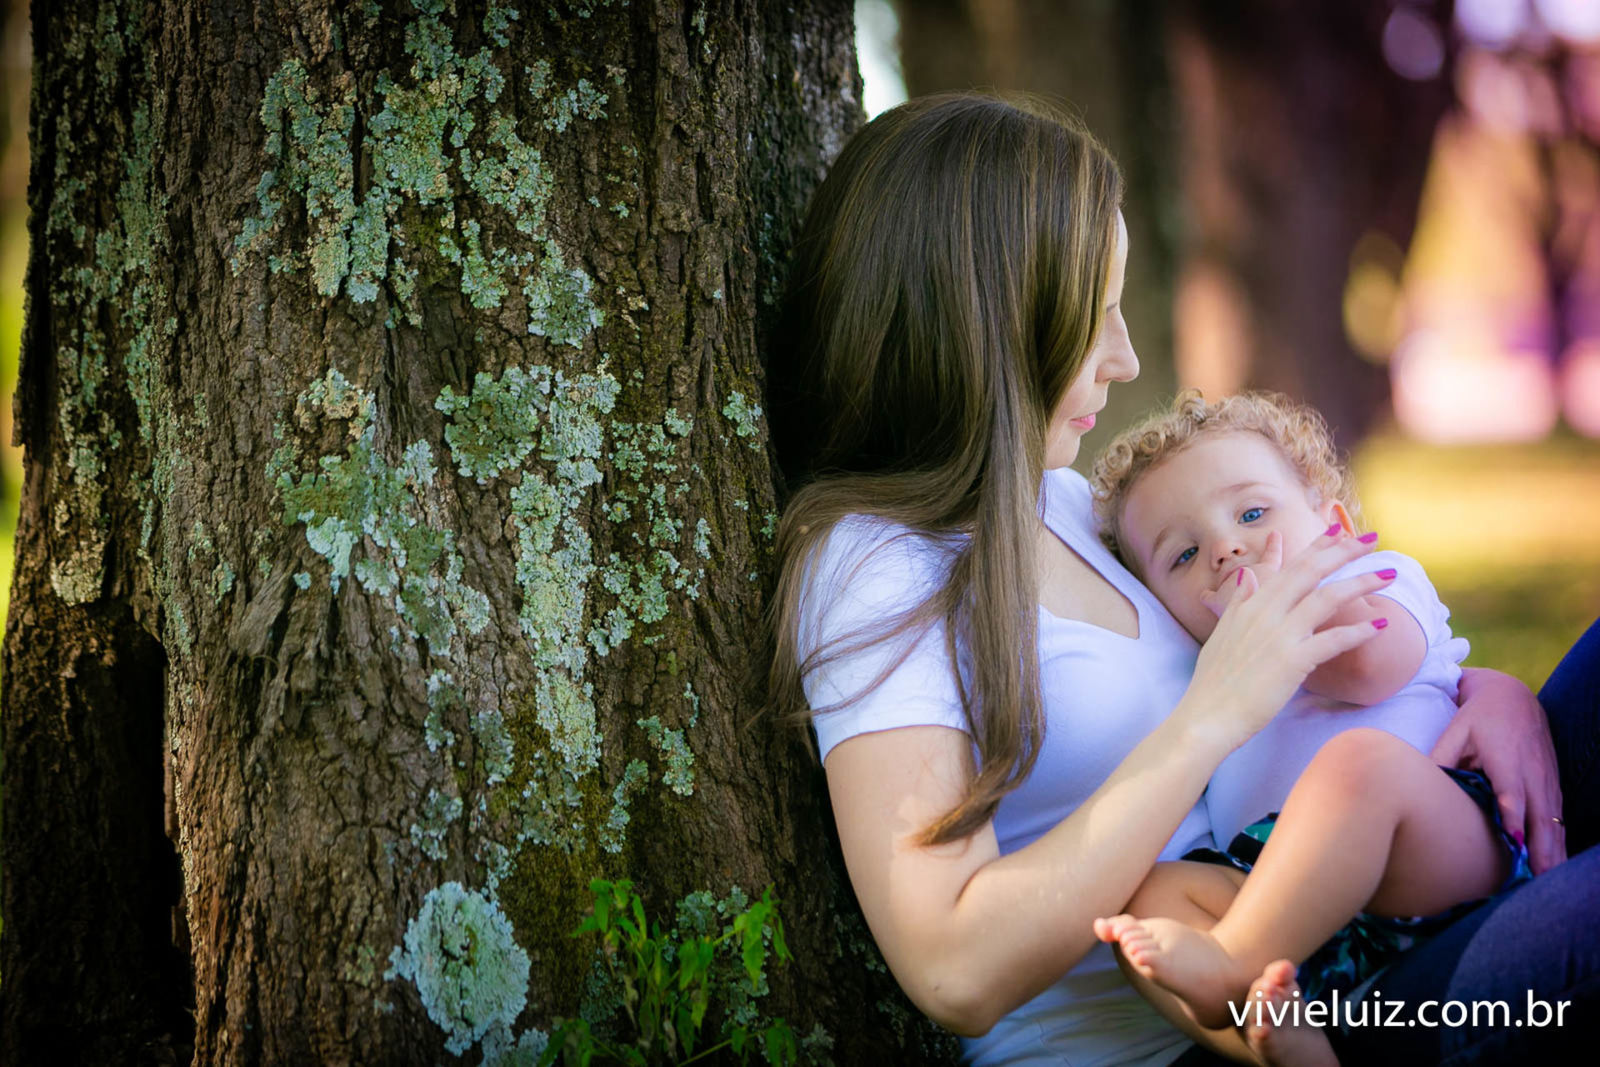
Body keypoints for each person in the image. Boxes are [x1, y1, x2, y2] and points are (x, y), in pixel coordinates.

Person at [763, 91, 1594, 1066]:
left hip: (1355, 898)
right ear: (991, 321)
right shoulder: (874, 562)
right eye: (1093, 314)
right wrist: (1210, 713)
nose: (1124, 358)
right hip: (1223, 1027)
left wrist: (1480, 692)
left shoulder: (1063, 501)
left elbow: (1309, 639)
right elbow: (953, 968)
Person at [1082, 390, 1532, 1065]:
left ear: (1334, 524)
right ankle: (1287, 1039)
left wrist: (1277, 611)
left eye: (1253, 513)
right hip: (1293, 905)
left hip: (1429, 842)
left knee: (1358, 765)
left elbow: (1368, 665)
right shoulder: (1204, 684)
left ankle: (1234, 962)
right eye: (1183, 555)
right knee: (1145, 904)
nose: (1228, 547)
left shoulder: (1377, 578)